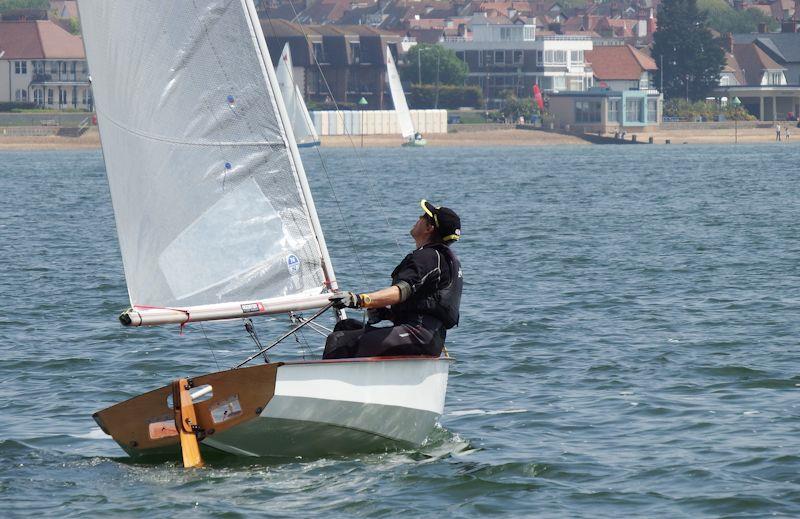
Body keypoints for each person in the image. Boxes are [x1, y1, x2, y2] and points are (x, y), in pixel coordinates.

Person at [322, 200, 463, 359]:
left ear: (429, 228)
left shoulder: (428, 256)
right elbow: (423, 305)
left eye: (423, 216)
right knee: (345, 327)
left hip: (418, 335)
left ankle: (328, 383)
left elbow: (401, 291)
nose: (418, 217)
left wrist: (359, 300)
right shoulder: (442, 258)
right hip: (426, 336)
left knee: (338, 341)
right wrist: (387, 314)